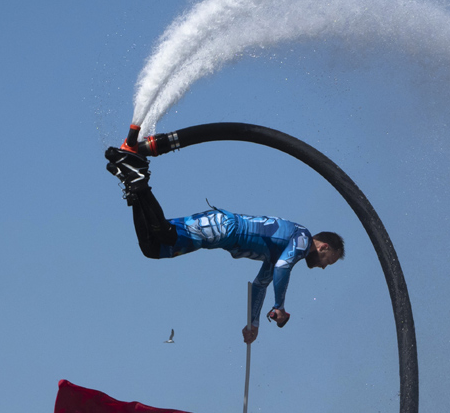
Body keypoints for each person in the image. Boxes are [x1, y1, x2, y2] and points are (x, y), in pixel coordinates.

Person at [104, 145, 343, 344]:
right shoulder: (302, 239)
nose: (323, 267)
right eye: (328, 261)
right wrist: (279, 305)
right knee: (165, 235)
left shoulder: (283, 252)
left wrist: (254, 323)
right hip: (225, 227)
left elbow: (260, 285)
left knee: (153, 249)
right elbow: (283, 267)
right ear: (324, 247)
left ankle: (133, 181)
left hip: (219, 233)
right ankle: (139, 180)